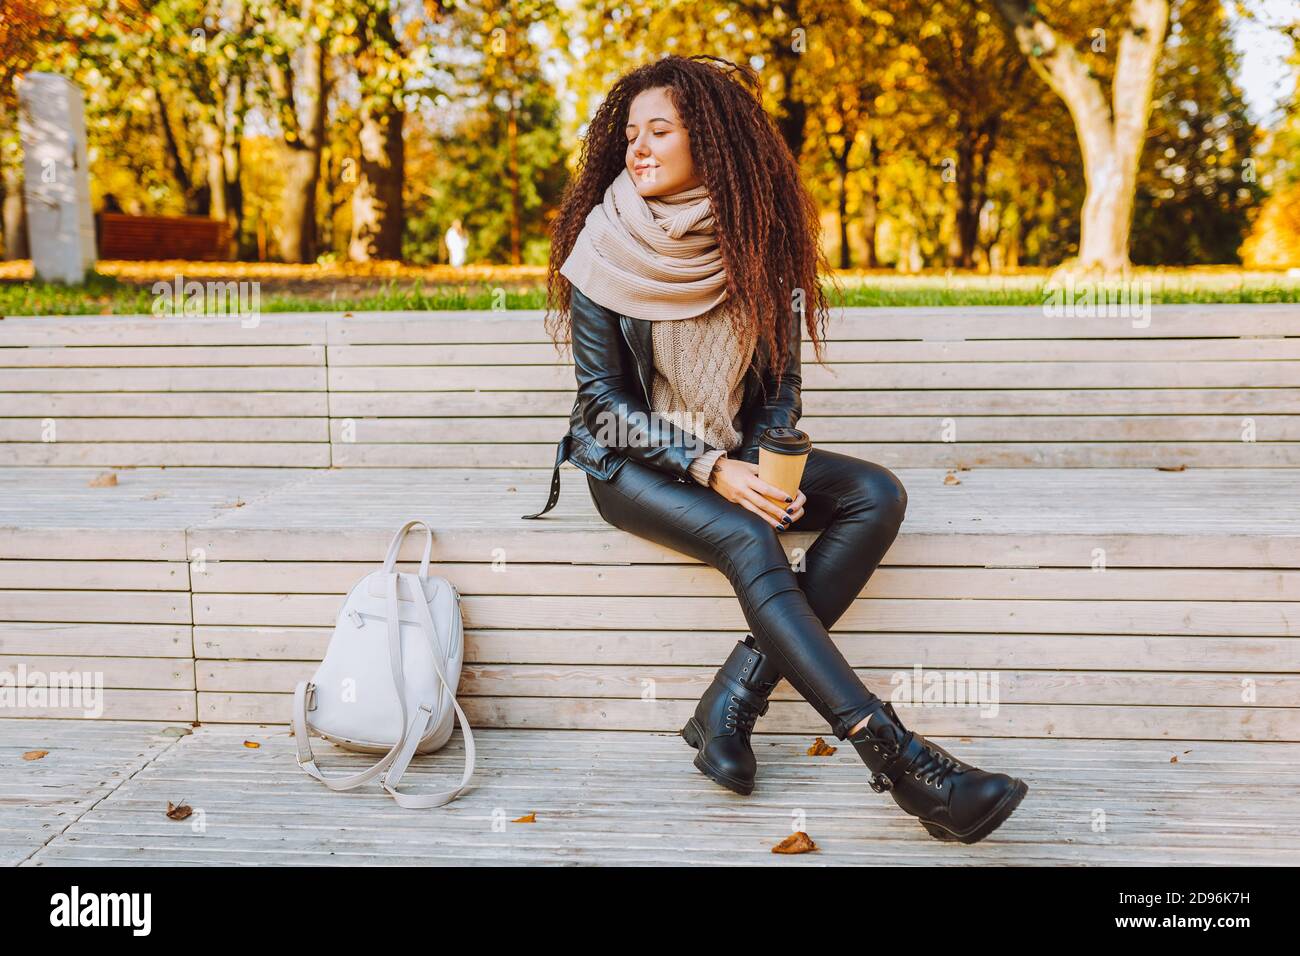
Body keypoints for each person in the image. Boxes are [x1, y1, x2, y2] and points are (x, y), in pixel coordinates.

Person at [522, 55, 1027, 845]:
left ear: (712, 145)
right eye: (631, 134)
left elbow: (781, 388)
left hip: (732, 452)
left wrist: (765, 464)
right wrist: (716, 472)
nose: (639, 149)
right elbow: (603, 406)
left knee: (876, 494)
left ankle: (732, 700)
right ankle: (898, 760)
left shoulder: (761, 239)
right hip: (631, 464)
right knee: (748, 534)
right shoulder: (604, 243)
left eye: (660, 131)